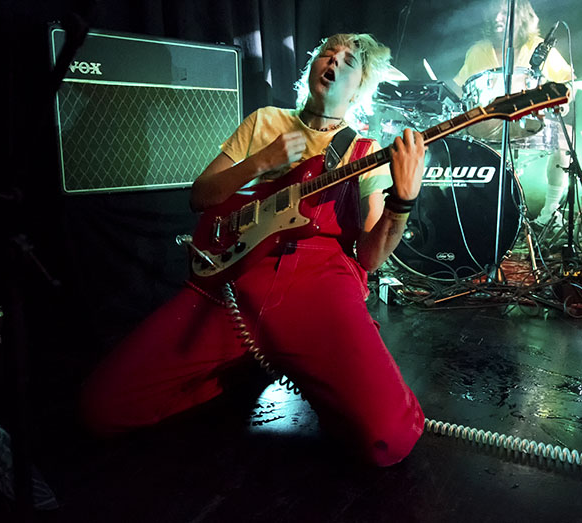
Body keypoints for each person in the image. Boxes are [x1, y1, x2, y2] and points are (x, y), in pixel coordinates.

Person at [80, 33, 427, 467]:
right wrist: (262, 161)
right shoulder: (265, 121)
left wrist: (402, 202)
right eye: (327, 53)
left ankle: (273, 359)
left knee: (388, 439)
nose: (334, 61)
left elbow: (371, 257)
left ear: (359, 87)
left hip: (318, 286)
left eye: (348, 60)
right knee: (102, 409)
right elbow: (201, 196)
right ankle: (245, 364)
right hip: (236, 280)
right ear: (312, 67)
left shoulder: (364, 151)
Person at [453, 0, 575, 228]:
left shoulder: (540, 48)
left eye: (504, 13)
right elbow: (461, 91)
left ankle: (550, 212)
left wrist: (564, 102)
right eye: (495, 14)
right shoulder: (477, 51)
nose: (497, 18)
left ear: (522, 17)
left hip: (529, 123)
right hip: (486, 126)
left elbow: (568, 82)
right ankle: (469, 211)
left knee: (567, 136)